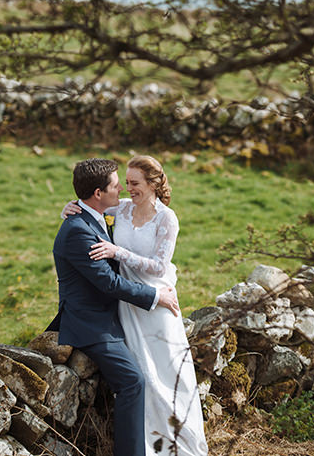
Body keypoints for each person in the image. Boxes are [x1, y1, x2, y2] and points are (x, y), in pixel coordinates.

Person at [62, 155, 208, 456]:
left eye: (133, 183)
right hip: (128, 304)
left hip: (156, 298)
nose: (127, 189)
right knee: (142, 375)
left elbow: (157, 266)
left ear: (153, 183)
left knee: (166, 374)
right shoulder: (123, 209)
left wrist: (118, 252)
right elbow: (90, 203)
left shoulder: (167, 218)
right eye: (123, 183)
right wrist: (67, 206)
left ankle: (176, 442)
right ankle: (146, 446)